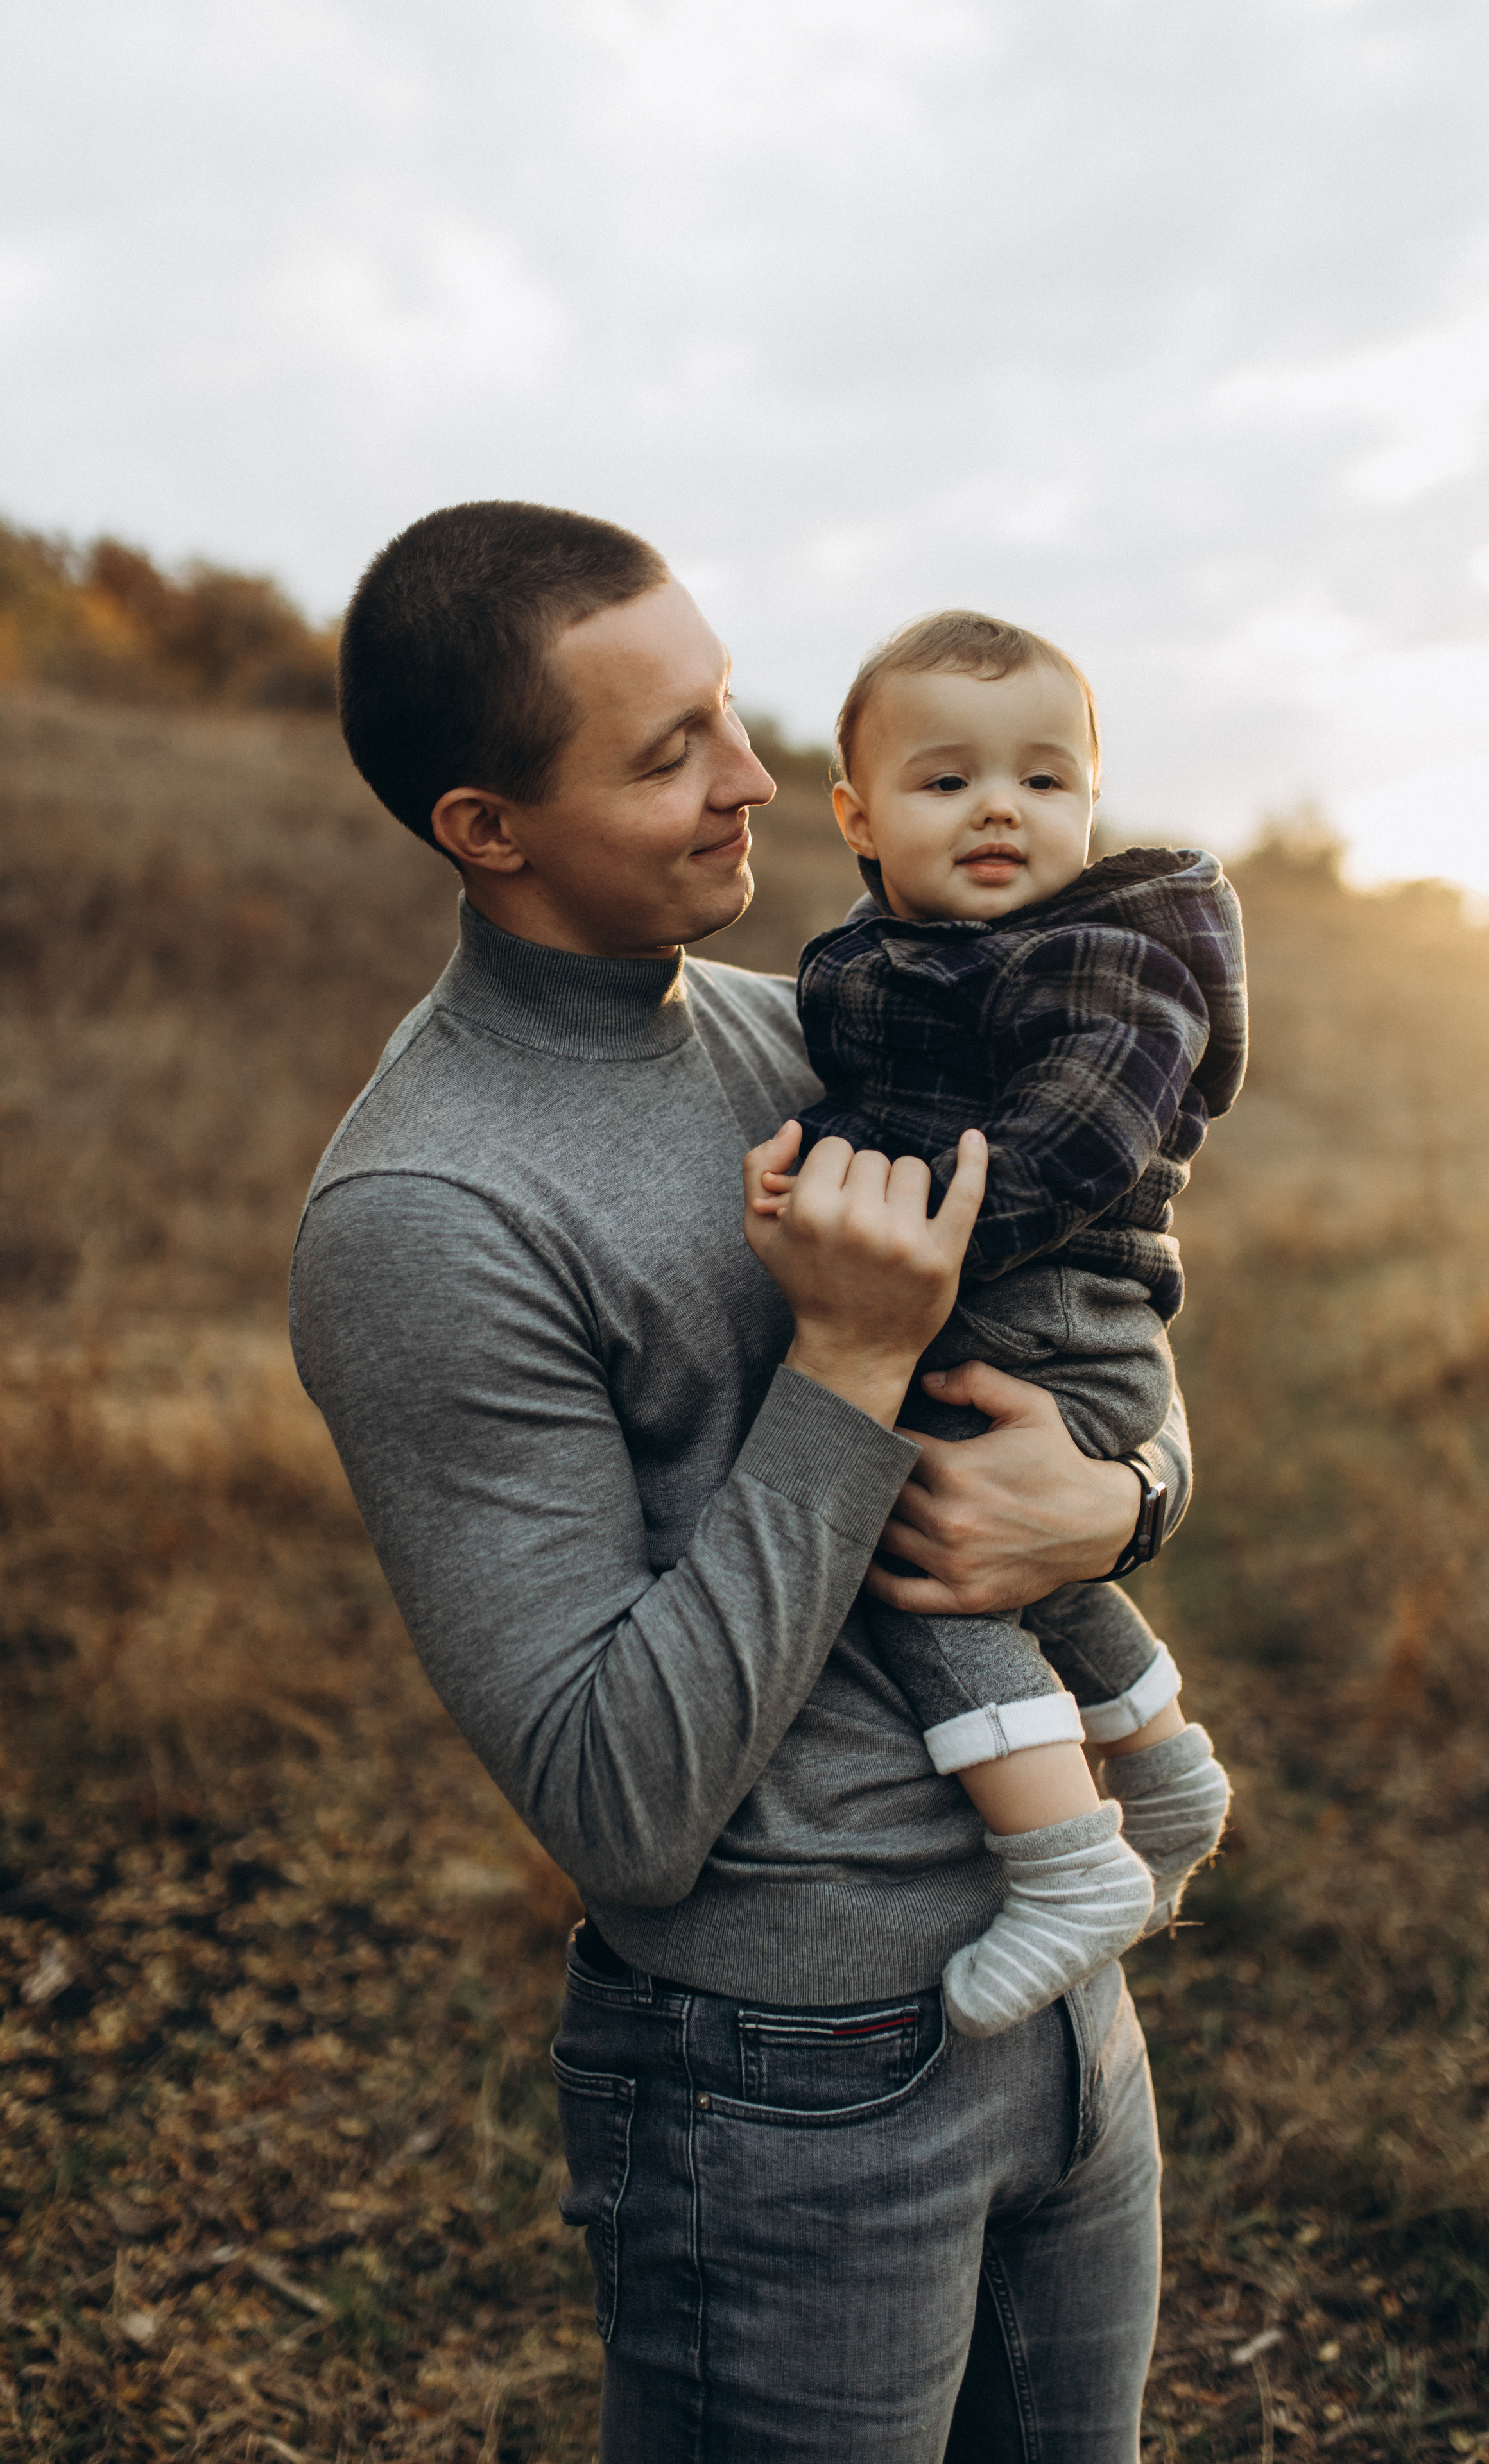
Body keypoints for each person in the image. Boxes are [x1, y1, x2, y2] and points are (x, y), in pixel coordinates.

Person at [290, 501, 1201, 2463]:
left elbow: (1103, 1332)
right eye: (668, 752)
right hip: (786, 2089)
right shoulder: (424, 1215)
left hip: (1066, 1996)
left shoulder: (813, 1032)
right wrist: (850, 1367)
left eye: (725, 706)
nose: (754, 779)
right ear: (487, 827)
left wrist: (1124, 1504)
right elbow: (618, 1806)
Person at [749, 610, 1242, 2037]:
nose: (999, 810)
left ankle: (1066, 1861)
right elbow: (884, 1112)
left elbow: (1076, 1146)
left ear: (1092, 799)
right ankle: (1164, 1770)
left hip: (1056, 1320)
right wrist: (814, 1158)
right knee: (1024, 1564)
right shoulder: (895, 957)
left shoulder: (1105, 961)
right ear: (856, 816)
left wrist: (890, 1244)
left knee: (909, 1557)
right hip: (1024, 1321)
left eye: (1042, 778)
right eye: (947, 779)